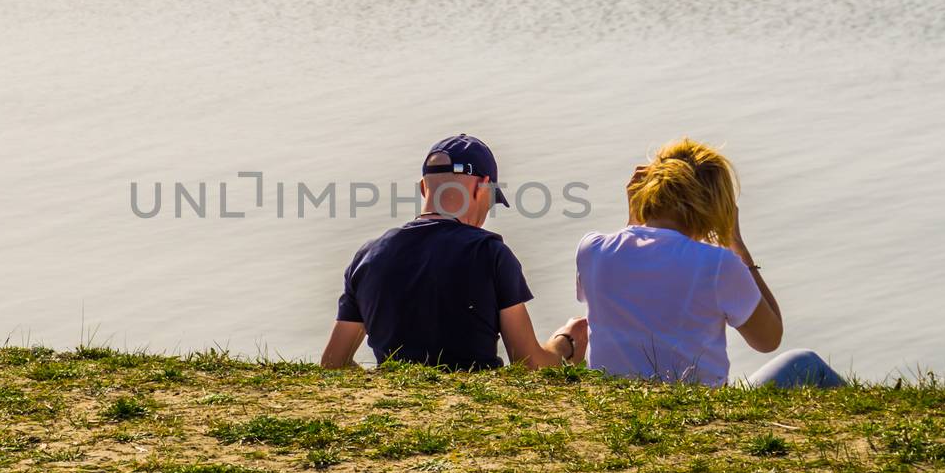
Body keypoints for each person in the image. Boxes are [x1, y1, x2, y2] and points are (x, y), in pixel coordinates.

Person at [576, 138, 843, 388]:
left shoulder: (593, 250)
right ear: (715, 205)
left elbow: (631, 275)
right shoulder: (718, 265)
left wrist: (635, 218)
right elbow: (768, 339)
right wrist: (736, 243)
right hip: (699, 417)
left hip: (621, 408)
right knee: (805, 362)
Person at [320, 134, 589, 370]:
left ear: (423, 187)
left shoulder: (368, 256)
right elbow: (529, 364)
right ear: (482, 187)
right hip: (476, 415)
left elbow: (333, 363)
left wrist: (380, 386)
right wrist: (565, 344)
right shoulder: (490, 254)